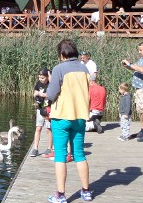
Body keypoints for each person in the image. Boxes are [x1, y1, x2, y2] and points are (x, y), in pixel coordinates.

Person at [46, 39, 92, 202]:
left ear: (62, 54)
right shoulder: (84, 68)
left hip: (61, 117)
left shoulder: (59, 69)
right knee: (79, 154)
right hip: (80, 117)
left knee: (60, 155)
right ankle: (86, 191)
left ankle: (60, 195)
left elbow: (51, 94)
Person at [31, 68, 52, 157]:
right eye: (39, 77)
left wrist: (43, 94)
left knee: (48, 129)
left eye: (42, 78)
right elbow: (35, 92)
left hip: (48, 110)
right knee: (38, 128)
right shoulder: (38, 84)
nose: (40, 79)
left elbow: (52, 94)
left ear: (47, 77)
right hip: (40, 109)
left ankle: (49, 148)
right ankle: (35, 148)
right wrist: (36, 94)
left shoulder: (51, 84)